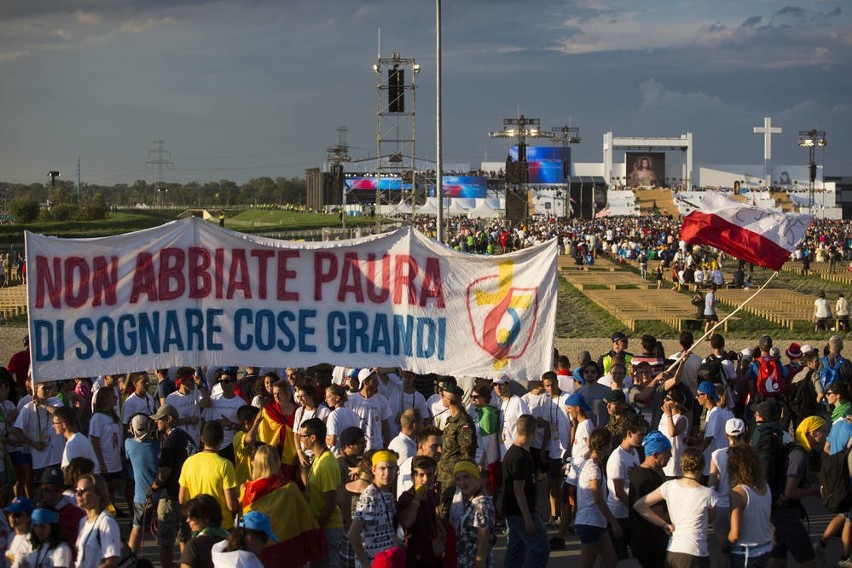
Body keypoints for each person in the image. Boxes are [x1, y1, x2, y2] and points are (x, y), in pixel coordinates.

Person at [634, 447, 717, 568]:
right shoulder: (709, 494)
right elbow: (711, 518)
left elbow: (640, 505)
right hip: (697, 552)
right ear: (702, 467)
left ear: (681, 466)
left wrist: (663, 524)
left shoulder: (669, 486)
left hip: (673, 550)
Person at [768, 416, 825, 567]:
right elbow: (790, 492)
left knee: (778, 557)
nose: (827, 435)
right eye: (824, 431)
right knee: (809, 560)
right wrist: (814, 491)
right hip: (787, 514)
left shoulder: (795, 450)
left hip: (778, 511)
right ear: (812, 433)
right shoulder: (799, 455)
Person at [150, 403, 196, 568]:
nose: (157, 423)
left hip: (170, 496)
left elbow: (164, 472)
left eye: (159, 420)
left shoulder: (170, 441)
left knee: (166, 541)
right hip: (187, 496)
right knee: (184, 538)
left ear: (169, 419)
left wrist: (154, 486)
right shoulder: (187, 438)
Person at [502, 414, 550, 567]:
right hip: (520, 513)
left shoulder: (516, 452)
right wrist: (528, 518)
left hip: (514, 511)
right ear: (533, 432)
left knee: (516, 550)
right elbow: (518, 490)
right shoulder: (519, 457)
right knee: (540, 548)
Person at [298, 417, 343, 568]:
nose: (300, 440)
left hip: (327, 528)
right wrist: (303, 469)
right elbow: (311, 488)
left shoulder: (327, 463)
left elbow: (330, 501)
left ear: (313, 437)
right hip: (320, 526)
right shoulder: (318, 459)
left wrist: (318, 527)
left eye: (303, 436)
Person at [178, 421, 239, 530]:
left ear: (202, 438)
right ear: (221, 440)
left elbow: (182, 499)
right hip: (222, 527)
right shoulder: (225, 464)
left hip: (198, 525)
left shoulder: (189, 462)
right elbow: (231, 505)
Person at [574, 428, 621, 568]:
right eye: (610, 444)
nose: (611, 447)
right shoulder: (593, 468)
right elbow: (598, 499)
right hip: (590, 521)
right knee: (589, 563)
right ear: (604, 445)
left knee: (611, 560)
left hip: (593, 522)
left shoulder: (587, 464)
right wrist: (613, 522)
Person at [348, 450, 401, 567]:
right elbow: (353, 534)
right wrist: (365, 564)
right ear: (373, 470)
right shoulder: (370, 495)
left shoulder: (389, 495)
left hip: (387, 561)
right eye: (382, 468)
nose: (387, 473)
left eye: (391, 468)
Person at [605, 413, 647, 559]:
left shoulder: (634, 451)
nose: (643, 438)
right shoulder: (618, 458)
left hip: (628, 512)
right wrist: (636, 507)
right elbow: (618, 492)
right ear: (629, 433)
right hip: (619, 515)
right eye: (640, 434)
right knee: (615, 557)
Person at [628, 430, 672, 568]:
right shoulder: (645, 479)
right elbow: (654, 510)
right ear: (655, 455)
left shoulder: (648, 474)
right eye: (667, 452)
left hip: (651, 539)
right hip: (649, 541)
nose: (670, 455)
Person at [725, 444, 773, 568]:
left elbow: (735, 533)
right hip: (765, 547)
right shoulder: (765, 487)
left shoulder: (738, 493)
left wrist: (725, 544)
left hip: (745, 553)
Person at [246, 379, 300, 483]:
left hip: (291, 453)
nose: (276, 396)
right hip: (272, 452)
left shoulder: (298, 410)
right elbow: (262, 430)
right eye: (274, 393)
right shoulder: (268, 410)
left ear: (287, 393)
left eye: (279, 393)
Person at [447, 460, 496, 568]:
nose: (462, 483)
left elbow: (483, 541)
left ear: (475, 477)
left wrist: (479, 564)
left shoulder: (481, 505)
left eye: (466, 477)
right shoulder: (473, 500)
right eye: (458, 479)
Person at [398, 455, 442, 567]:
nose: (426, 479)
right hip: (415, 555)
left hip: (432, 552)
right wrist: (417, 498)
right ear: (413, 476)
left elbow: (435, 520)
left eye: (430, 474)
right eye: (421, 475)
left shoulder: (432, 494)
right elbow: (406, 523)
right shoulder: (406, 497)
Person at [124, 414, 159, 555]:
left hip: (139, 496)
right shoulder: (157, 445)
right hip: (157, 495)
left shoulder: (128, 444)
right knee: (163, 533)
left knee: (136, 528)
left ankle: (131, 558)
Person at [435, 382, 476, 497]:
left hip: (453, 478)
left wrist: (462, 479)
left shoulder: (463, 422)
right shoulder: (451, 419)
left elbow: (466, 453)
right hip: (444, 476)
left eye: (442, 396)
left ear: (448, 401)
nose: (441, 398)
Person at [33, 467, 85, 554]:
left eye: (56, 490)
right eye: (46, 490)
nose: (51, 495)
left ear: (62, 490)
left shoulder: (75, 513)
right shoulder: (37, 512)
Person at [88, 386, 123, 514]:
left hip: (114, 459)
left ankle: (112, 511)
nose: (115, 398)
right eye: (112, 396)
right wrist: (101, 463)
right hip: (104, 461)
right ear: (105, 399)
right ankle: (103, 513)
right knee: (104, 489)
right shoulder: (97, 417)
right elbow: (94, 441)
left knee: (112, 488)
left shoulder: (113, 416)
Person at [73, 473, 121, 568]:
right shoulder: (83, 521)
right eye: (77, 490)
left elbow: (111, 562)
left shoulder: (106, 522)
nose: (78, 494)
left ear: (98, 494)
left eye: (83, 490)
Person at [211, 511, 277, 568]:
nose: (263, 546)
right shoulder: (249, 564)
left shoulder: (218, 551)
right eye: (264, 540)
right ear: (252, 537)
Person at [180, 494, 229, 568]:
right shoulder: (232, 542)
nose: (187, 520)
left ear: (206, 518)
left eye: (192, 517)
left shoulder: (194, 545)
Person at [53, 406, 99, 473]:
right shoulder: (81, 438)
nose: (53, 426)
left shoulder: (72, 445)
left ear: (63, 425)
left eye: (55, 423)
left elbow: (73, 474)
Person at [324, 384, 359, 455]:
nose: (325, 400)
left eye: (328, 397)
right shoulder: (352, 413)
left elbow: (332, 441)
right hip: (349, 454)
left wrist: (321, 439)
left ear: (337, 398)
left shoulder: (334, 414)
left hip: (336, 455)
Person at [4, 497, 34, 568]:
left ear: (28, 517)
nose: (12, 517)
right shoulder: (10, 536)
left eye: (17, 514)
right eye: (10, 513)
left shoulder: (33, 539)